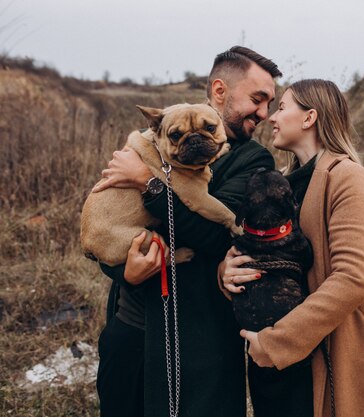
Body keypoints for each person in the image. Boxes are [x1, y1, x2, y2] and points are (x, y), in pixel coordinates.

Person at [94, 46, 281, 417]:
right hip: (133, 324)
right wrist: (123, 271)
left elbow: (217, 236)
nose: (263, 113)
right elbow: (111, 221)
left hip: (198, 339)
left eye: (270, 103)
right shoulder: (159, 138)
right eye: (257, 100)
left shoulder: (253, 160)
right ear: (220, 90)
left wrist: (149, 184)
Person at [220, 79, 364, 417]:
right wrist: (227, 270)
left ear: (309, 118)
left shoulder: (345, 175)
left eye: (282, 107)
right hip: (274, 363)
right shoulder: (280, 183)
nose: (271, 118)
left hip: (320, 353)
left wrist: (277, 343)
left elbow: (353, 278)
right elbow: (260, 248)